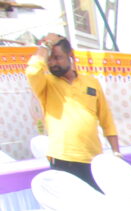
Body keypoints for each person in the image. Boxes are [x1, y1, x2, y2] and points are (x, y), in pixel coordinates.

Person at [25, 33, 119, 191]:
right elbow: (33, 71)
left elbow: (106, 119)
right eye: (49, 59)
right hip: (63, 158)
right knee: (72, 204)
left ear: (71, 55)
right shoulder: (46, 84)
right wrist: (45, 46)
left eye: (57, 57)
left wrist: (116, 153)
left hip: (94, 158)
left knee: (99, 201)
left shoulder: (91, 82)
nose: (53, 63)